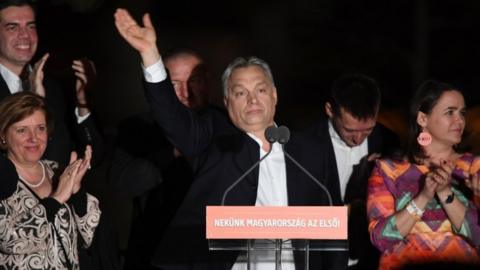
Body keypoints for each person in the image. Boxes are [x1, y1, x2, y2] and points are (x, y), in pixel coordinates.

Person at [114, 8, 331, 269]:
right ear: (227, 102)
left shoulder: (310, 151)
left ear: (274, 95)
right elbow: (172, 117)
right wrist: (150, 55)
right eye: (240, 92)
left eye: (260, 90)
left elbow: (328, 230)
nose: (252, 99)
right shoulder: (213, 142)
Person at [109, 48, 223, 270]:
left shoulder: (229, 124)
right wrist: (173, 152)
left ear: (208, 82)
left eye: (195, 80)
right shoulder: (138, 127)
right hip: (153, 253)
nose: (185, 91)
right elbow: (121, 184)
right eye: (173, 84)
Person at [367, 80, 480, 269]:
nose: (459, 120)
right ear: (422, 119)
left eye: (462, 113)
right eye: (449, 112)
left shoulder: (473, 168)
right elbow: (381, 238)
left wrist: (445, 193)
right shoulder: (387, 169)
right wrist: (424, 197)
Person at [303, 73, 400, 270]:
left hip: (371, 258)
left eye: (367, 130)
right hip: (320, 259)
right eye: (350, 130)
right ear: (330, 110)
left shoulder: (389, 142)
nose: (358, 140)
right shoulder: (303, 145)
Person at [0, 92, 101, 269]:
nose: (34, 138)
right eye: (22, 130)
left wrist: (77, 192)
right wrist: (56, 200)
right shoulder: (3, 179)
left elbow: (89, 236)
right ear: (3, 135)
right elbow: (10, 241)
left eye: (40, 128)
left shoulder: (57, 171)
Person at [0, 0, 104, 167]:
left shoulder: (53, 86)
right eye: (13, 27)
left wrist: (83, 101)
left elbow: (92, 157)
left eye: (31, 26)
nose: (24, 35)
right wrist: (35, 102)